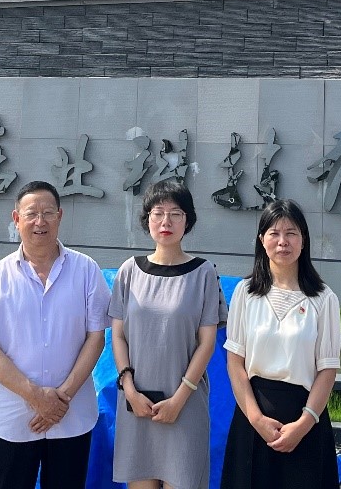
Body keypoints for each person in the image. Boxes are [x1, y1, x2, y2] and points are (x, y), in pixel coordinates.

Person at [0, 180, 111, 489]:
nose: (39, 221)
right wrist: (36, 397)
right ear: (16, 218)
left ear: (60, 216)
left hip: (71, 418)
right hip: (10, 421)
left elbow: (96, 337)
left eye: (48, 213)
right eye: (31, 213)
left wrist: (61, 399)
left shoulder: (86, 270)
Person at [110, 180, 227, 489]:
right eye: (158, 213)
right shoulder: (129, 271)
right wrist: (129, 389)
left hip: (185, 404)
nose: (166, 221)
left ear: (187, 220)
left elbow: (207, 343)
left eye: (176, 213)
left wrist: (179, 399)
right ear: (147, 218)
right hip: (136, 404)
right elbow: (118, 336)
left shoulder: (204, 273)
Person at [221, 199, 341, 489]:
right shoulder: (245, 293)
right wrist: (256, 419)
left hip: (304, 419)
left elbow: (327, 370)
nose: (282, 241)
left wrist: (303, 424)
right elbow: (235, 363)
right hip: (253, 418)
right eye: (274, 233)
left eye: (291, 233)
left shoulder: (323, 299)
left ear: (303, 240)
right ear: (262, 240)